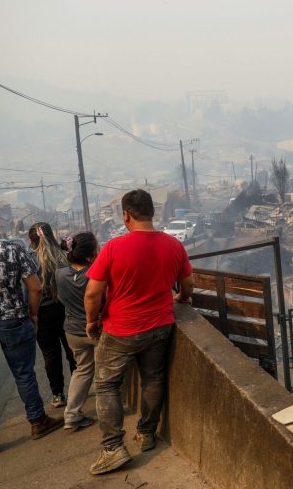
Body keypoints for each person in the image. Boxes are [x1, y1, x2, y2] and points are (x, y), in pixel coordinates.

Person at [84, 189, 193, 475]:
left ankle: (113, 448)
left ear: (126, 215)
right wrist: (180, 299)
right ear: (152, 213)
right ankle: (146, 433)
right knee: (153, 378)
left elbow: (93, 294)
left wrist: (92, 321)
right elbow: (187, 284)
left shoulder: (113, 248)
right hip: (160, 326)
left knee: (107, 385)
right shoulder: (173, 245)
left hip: (121, 329)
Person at [0, 219, 64, 453]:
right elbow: (35, 287)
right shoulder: (13, 249)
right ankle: (38, 421)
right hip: (14, 318)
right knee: (24, 374)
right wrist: (33, 315)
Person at [27, 222, 77, 408]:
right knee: (72, 350)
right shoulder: (63, 256)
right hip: (65, 309)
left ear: (32, 241)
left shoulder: (29, 260)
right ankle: (76, 390)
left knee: (50, 355)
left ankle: (58, 394)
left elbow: (32, 290)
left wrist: (32, 314)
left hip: (43, 313)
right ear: (51, 236)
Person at [55, 232, 100, 431]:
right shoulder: (95, 275)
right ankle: (107, 413)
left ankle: (71, 415)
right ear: (91, 254)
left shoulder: (60, 274)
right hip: (96, 329)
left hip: (72, 331)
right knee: (105, 373)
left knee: (82, 370)